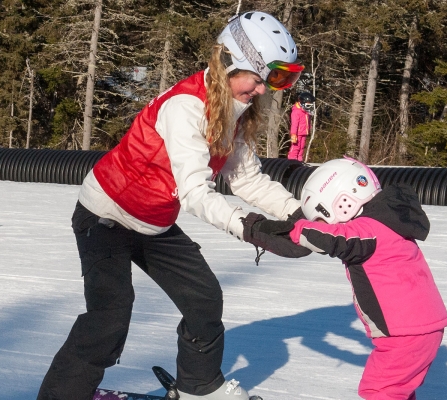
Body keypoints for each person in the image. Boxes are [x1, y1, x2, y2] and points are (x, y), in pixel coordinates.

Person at [36, 11, 310, 400]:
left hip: (153, 223)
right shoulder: (186, 107)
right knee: (110, 314)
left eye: (273, 82)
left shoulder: (234, 112)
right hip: (105, 214)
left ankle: (200, 386)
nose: (263, 91)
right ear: (229, 63)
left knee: (203, 297)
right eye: (259, 78)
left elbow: (246, 178)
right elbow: (195, 193)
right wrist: (252, 228)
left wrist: (298, 215)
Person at [243, 157, 447, 399]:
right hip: (423, 329)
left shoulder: (369, 230)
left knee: (379, 391)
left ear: (343, 202)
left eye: (324, 218)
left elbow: (337, 239)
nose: (327, 224)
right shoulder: (389, 222)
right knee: (397, 390)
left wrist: (291, 229)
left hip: (405, 334)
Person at [287, 92, 315, 162]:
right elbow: (294, 124)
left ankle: (299, 161)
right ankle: (292, 161)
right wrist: (293, 134)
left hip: (304, 132)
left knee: (302, 148)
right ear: (302, 103)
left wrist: (308, 129)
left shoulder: (306, 112)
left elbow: (307, 122)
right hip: (297, 133)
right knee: (296, 147)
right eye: (308, 105)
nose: (309, 107)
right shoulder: (296, 112)